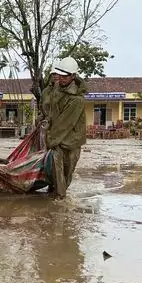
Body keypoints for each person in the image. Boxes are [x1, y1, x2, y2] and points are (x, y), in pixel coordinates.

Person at [45, 57, 87, 200]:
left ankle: (59, 194)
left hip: (72, 140)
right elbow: (51, 110)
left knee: (68, 171)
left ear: (73, 76)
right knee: (56, 168)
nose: (60, 79)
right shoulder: (56, 88)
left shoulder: (77, 100)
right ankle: (58, 197)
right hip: (57, 137)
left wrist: (49, 140)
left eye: (65, 76)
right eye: (59, 75)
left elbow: (65, 124)